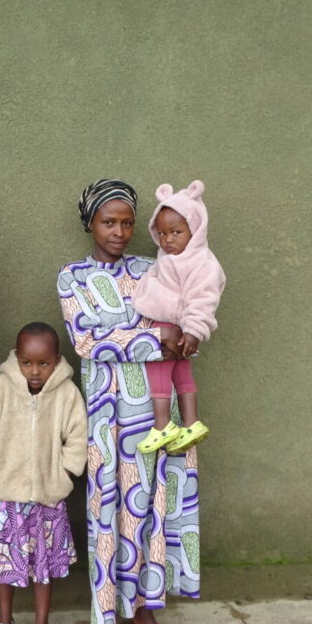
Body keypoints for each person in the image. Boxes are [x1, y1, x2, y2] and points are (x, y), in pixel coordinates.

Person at [57, 179, 201, 624]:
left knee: (152, 505)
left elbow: (178, 318)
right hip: (104, 413)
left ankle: (147, 609)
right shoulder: (72, 277)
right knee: (106, 506)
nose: (119, 231)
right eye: (108, 222)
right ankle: (103, 609)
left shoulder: (154, 267)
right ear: (90, 223)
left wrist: (152, 335)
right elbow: (84, 341)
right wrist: (147, 338)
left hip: (157, 412)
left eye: (126, 222)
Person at [0, 322, 87, 624]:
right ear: (17, 359)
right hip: (9, 499)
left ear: (56, 360)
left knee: (44, 567)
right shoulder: (3, 388)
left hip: (49, 500)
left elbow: (78, 438)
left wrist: (64, 474)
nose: (34, 371)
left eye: (43, 363)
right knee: (5, 564)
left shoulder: (66, 394)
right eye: (27, 362)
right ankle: (4, 620)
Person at [131, 180, 226, 454]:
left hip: (173, 325)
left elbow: (204, 298)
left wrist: (194, 329)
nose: (168, 240)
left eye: (176, 232)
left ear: (195, 230)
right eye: (161, 233)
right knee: (182, 374)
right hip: (177, 326)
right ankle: (191, 423)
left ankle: (162, 426)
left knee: (158, 369)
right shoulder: (169, 257)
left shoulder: (201, 262)